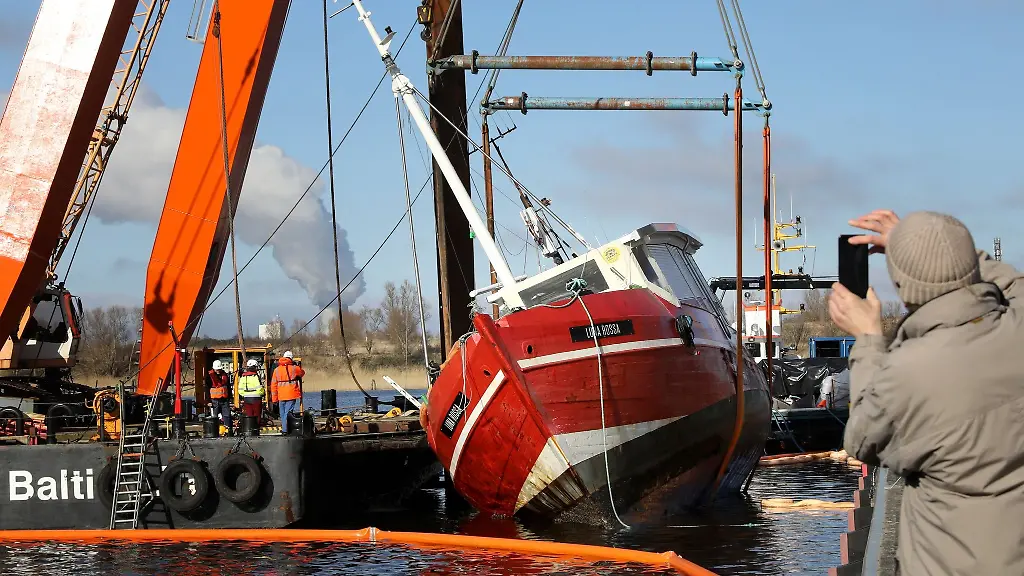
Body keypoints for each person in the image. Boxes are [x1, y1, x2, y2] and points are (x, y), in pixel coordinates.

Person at [829, 209, 1024, 575]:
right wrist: (947, 251)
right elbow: (1014, 283)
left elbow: (862, 438)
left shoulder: (910, 373)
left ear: (903, 287)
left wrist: (868, 340)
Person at [271, 350, 305, 433]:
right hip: (291, 394)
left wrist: (274, 399)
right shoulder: (294, 368)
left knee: (283, 414)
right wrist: (296, 365)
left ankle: (284, 429)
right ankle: (286, 430)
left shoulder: (276, 370)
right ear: (291, 358)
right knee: (288, 413)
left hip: (281, 395)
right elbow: (302, 373)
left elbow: (273, 385)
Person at [208, 359, 233, 435]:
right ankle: (214, 431)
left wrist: (230, 397)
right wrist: (208, 401)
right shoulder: (209, 377)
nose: (218, 371)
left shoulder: (224, 375)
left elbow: (228, 387)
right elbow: (206, 388)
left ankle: (228, 430)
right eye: (217, 369)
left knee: (227, 415)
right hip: (214, 400)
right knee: (214, 417)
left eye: (219, 369)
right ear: (214, 369)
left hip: (224, 399)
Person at [237, 358, 265, 423]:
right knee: (257, 416)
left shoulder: (243, 377)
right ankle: (256, 427)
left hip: (246, 399)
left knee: (249, 416)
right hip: (256, 399)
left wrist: (245, 395)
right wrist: (263, 393)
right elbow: (259, 388)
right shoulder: (255, 376)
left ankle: (250, 427)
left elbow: (240, 390)